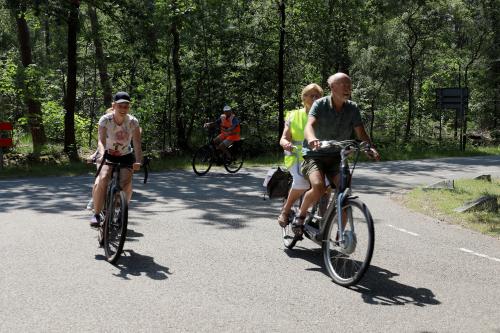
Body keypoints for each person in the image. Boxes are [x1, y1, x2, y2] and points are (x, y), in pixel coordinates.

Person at [292, 72, 380, 235]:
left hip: (337, 157)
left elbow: (360, 132)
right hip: (314, 155)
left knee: (344, 191)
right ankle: (301, 214)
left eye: (349, 85)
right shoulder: (320, 104)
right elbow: (309, 126)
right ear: (332, 87)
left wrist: (369, 147)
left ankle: (341, 232)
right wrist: (312, 139)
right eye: (343, 85)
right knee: (318, 187)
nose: (347, 88)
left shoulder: (352, 108)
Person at [90, 91, 142, 227]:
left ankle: (120, 210)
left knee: (126, 183)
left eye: (126, 106)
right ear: (114, 106)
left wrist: (138, 161)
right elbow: (100, 141)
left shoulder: (133, 122)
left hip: (125, 155)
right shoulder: (105, 120)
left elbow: (136, 143)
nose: (123, 109)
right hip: (107, 154)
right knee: (103, 178)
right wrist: (101, 154)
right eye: (120, 106)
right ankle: (96, 213)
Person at [277, 83, 323, 227]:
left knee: (325, 186)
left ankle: (322, 220)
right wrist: (286, 143)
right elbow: (284, 137)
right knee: (302, 182)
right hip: (296, 156)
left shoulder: (325, 115)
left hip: (317, 157)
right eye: (311, 95)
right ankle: (285, 211)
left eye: (318, 96)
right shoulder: (293, 115)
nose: (315, 98)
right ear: (303, 98)